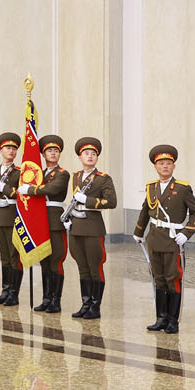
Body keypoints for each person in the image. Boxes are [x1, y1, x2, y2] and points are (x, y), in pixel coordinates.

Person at [133, 144, 195, 334]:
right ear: (155, 166)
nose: (165, 166)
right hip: (154, 239)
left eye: (168, 163)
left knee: (173, 280)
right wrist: (138, 232)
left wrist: (186, 233)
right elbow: (145, 211)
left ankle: (173, 320)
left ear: (174, 166)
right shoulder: (151, 188)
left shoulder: (182, 188)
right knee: (158, 279)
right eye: (161, 163)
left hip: (173, 241)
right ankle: (160, 318)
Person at [66, 137, 117, 320]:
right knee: (82, 268)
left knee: (95, 268)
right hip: (76, 227)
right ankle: (85, 303)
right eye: (86, 153)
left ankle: (95, 306)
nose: (90, 156)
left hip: (93, 227)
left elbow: (112, 202)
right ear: (80, 156)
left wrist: (87, 201)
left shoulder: (103, 179)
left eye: (93, 154)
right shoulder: (76, 176)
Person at [19, 135, 69, 313]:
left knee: (56, 260)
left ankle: (56, 300)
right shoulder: (38, 173)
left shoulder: (62, 174)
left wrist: (31, 190)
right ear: (43, 154)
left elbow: (53, 189)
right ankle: (46, 298)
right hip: (40, 219)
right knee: (45, 261)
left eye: (56, 151)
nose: (53, 153)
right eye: (49, 151)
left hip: (54, 219)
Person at [0, 132, 23, 306]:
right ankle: (5, 290)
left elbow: (22, 195)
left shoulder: (20, 172)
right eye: (8, 148)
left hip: (12, 216)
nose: (11, 151)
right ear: (1, 150)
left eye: (14, 149)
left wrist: (6, 188)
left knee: (14, 255)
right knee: (4, 255)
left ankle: (14, 294)